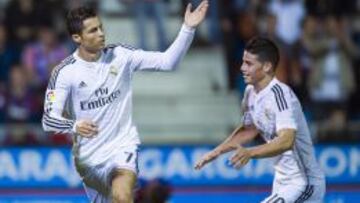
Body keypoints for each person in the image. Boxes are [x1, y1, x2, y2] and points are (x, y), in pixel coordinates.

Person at [41, 2, 208, 203]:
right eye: (93, 30)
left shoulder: (121, 55)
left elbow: (168, 62)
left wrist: (188, 28)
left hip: (122, 146)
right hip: (89, 158)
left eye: (101, 27)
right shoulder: (64, 73)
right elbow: (49, 121)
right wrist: (74, 125)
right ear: (77, 38)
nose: (101, 33)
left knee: (122, 196)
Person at [195, 37, 325, 202]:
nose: (242, 68)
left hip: (303, 182)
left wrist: (250, 153)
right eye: (243, 62)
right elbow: (248, 130)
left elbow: (287, 141)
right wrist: (216, 152)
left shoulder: (280, 95)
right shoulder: (250, 92)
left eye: (249, 63)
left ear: (267, 66)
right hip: (281, 181)